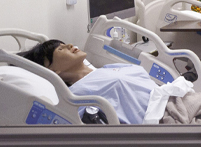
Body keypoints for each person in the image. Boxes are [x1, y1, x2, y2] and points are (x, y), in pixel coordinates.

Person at [19, 40, 173, 124]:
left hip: (175, 102)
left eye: (64, 44)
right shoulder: (76, 96)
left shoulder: (108, 68)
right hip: (164, 120)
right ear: (52, 70)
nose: (69, 45)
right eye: (60, 49)